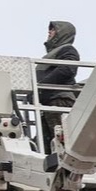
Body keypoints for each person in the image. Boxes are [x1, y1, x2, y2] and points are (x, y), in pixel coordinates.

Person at [36, 20, 79, 154]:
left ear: (62, 33)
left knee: (62, 141)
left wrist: (41, 87)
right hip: (48, 104)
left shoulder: (67, 50)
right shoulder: (52, 54)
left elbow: (67, 69)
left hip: (60, 100)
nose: (49, 32)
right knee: (47, 144)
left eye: (53, 30)